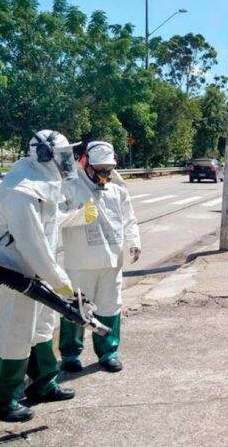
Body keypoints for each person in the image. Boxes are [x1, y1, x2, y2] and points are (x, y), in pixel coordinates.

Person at [0, 130, 98, 422]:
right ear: (47, 155)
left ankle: (43, 383)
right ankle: (1, 399)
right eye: (64, 155)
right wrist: (66, 287)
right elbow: (34, 247)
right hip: (18, 273)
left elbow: (49, 223)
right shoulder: (20, 190)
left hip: (40, 272)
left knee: (42, 328)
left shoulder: (42, 182)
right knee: (14, 332)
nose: (69, 161)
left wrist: (77, 216)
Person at [59, 141, 141, 373]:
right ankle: (70, 355)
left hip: (112, 262)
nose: (105, 174)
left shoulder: (117, 189)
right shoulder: (71, 187)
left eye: (109, 169)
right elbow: (53, 217)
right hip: (81, 262)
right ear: (86, 164)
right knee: (75, 309)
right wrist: (77, 216)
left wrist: (134, 242)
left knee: (109, 306)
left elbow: (129, 219)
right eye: (101, 169)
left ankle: (108, 352)